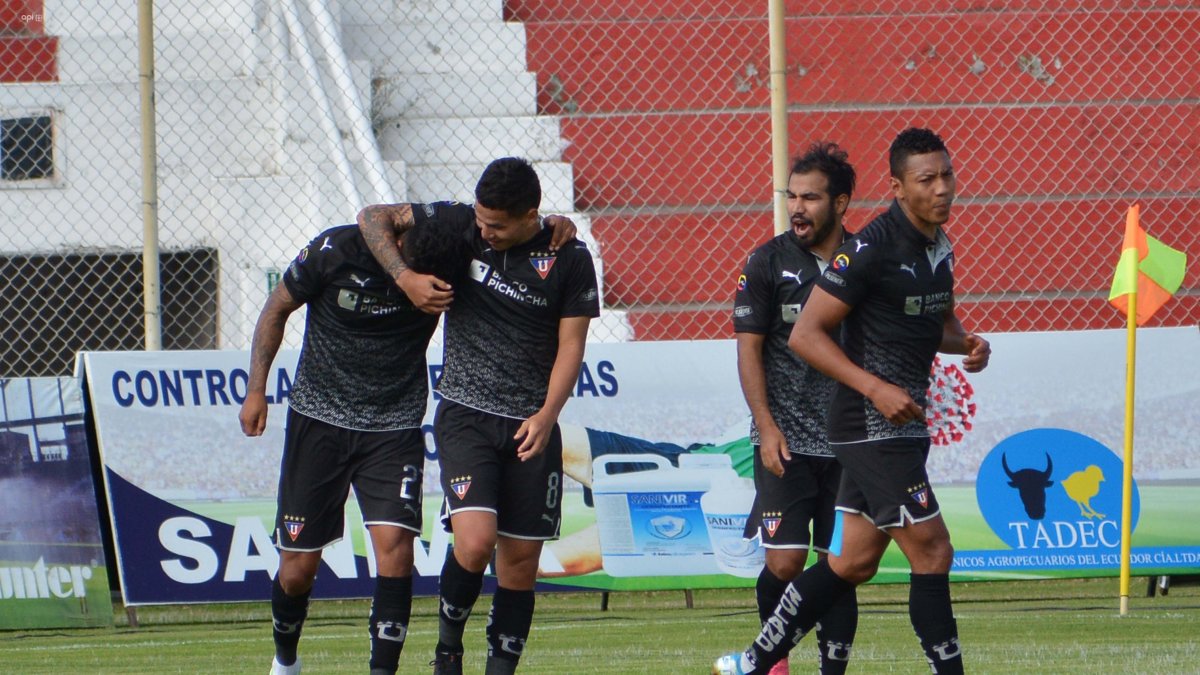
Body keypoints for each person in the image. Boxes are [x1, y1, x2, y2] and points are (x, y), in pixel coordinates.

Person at [714, 127, 992, 675]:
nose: (942, 189)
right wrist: (874, 387)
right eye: (926, 179)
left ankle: (754, 660)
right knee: (932, 550)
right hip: (870, 425)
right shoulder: (868, 251)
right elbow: (805, 335)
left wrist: (968, 344)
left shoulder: (938, 244)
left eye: (946, 175)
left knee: (850, 561)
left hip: (900, 422)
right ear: (896, 187)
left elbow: (932, 322)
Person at [357, 157, 600, 675]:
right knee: (474, 540)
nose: (484, 232)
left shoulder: (570, 257)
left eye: (497, 225)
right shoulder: (460, 224)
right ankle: (448, 644)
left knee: (519, 564)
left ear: (532, 214)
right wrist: (404, 279)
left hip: (532, 425)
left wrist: (546, 414)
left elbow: (571, 347)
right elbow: (372, 216)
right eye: (481, 220)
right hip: (465, 413)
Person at [238, 217, 469, 675]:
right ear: (395, 244)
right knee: (298, 569)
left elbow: (508, 223)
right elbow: (276, 308)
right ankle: (285, 661)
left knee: (397, 549)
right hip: (318, 423)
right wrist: (255, 389)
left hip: (394, 425)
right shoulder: (335, 249)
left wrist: (556, 226)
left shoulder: (448, 258)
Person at [731, 142, 860, 675]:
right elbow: (748, 347)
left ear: (842, 203)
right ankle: (774, 662)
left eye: (811, 198)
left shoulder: (866, 259)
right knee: (784, 561)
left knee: (841, 567)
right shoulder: (766, 261)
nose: (798, 208)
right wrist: (765, 426)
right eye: (792, 197)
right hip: (784, 440)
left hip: (851, 442)